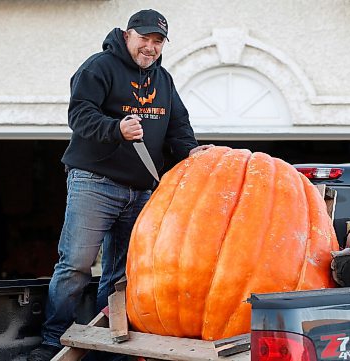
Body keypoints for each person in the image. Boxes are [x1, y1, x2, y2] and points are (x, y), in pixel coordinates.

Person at [28, 9, 212, 361]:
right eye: (144, 39)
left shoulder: (164, 81)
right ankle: (53, 341)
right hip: (94, 183)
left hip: (141, 191)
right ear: (128, 35)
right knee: (77, 264)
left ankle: (108, 345)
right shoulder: (99, 67)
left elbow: (178, 129)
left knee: (124, 273)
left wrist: (193, 153)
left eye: (158, 42)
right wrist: (116, 129)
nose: (151, 47)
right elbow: (79, 114)